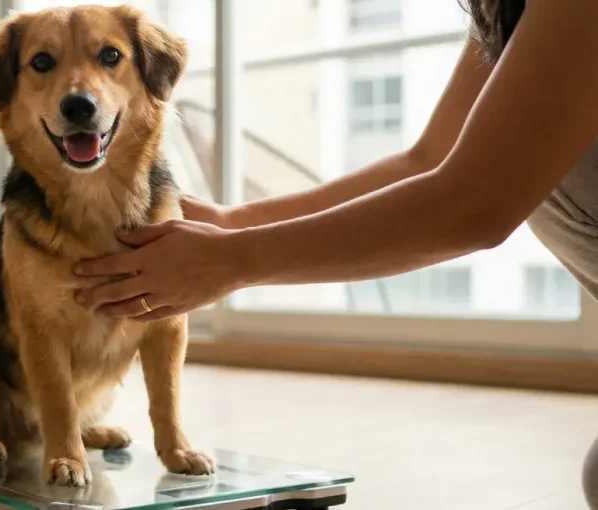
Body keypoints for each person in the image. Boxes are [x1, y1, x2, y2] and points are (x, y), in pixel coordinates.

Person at [70, 0, 597, 506]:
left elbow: (474, 203)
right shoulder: (504, 11)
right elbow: (429, 160)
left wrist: (230, 260)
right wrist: (233, 224)